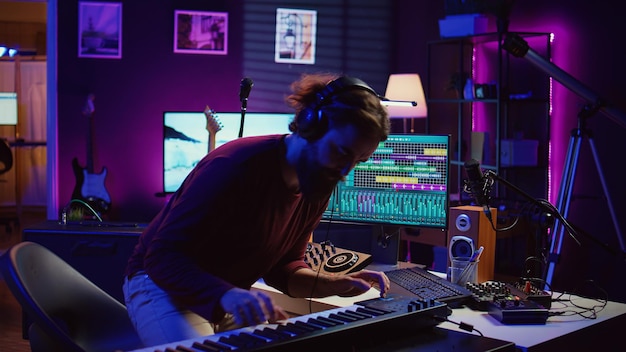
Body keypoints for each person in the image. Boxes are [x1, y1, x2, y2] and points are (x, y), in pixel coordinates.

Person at [123, 73, 392, 347]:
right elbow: (162, 257)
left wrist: (331, 282)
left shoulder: (319, 180)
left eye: (359, 160)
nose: (345, 170)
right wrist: (227, 295)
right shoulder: (235, 166)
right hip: (159, 284)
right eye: (341, 151)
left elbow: (284, 269)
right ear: (313, 125)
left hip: (226, 293)